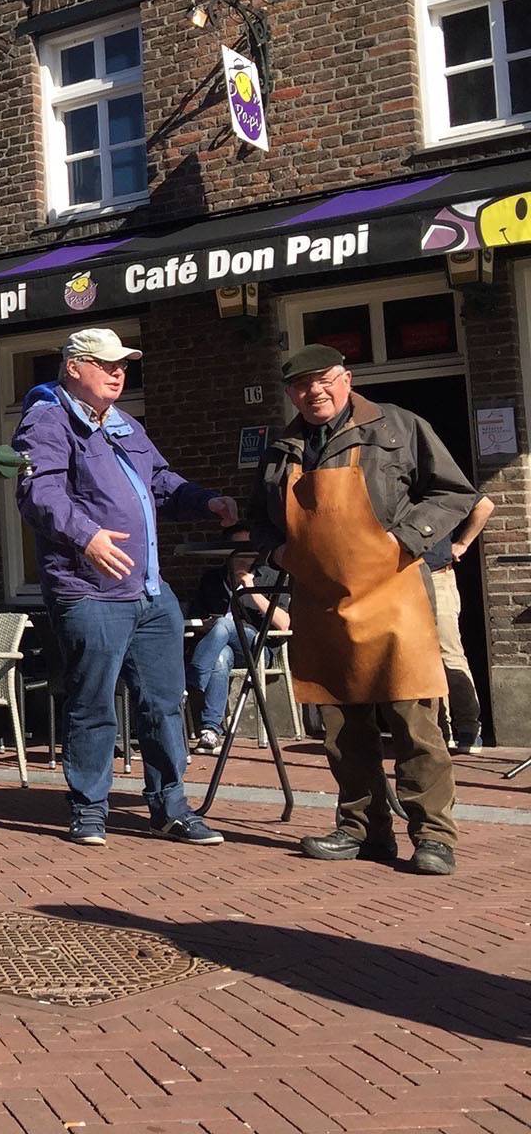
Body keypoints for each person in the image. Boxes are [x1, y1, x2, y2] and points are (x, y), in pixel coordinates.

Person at [249, 345, 476, 876]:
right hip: (321, 601)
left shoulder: (398, 427)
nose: (314, 392)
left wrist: (403, 541)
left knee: (413, 724)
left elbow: (452, 493)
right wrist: (275, 552)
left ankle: (433, 836)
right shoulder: (283, 447)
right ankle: (362, 828)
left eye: (323, 380)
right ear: (290, 393)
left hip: (394, 593)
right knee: (340, 727)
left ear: (346, 378)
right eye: (301, 385)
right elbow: (262, 522)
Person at [14, 328, 239, 848]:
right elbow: (37, 492)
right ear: (74, 368)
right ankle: (89, 810)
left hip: (150, 591)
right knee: (93, 704)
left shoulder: (124, 424)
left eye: (123, 365)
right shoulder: (48, 418)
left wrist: (205, 501)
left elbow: (160, 480)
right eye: (106, 364)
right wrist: (86, 535)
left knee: (163, 702)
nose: (119, 373)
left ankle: (171, 808)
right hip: (89, 591)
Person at [186, 526, 289, 751]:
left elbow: (284, 623)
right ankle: (210, 731)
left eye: (250, 549)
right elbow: (196, 618)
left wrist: (251, 588)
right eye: (240, 549)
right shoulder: (213, 579)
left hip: (258, 648)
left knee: (226, 623)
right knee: (221, 656)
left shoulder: (269, 575)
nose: (247, 555)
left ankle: (191, 681)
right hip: (221, 647)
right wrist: (207, 625)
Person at [426, 495, 493, 753]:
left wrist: (462, 543)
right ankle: (441, 730)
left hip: (437, 576)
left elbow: (484, 505)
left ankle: (468, 728)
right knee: (422, 658)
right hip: (401, 579)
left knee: (448, 653)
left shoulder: (435, 475)